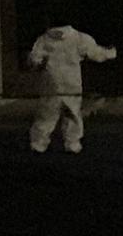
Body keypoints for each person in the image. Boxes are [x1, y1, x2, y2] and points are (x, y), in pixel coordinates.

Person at [27, 15, 117, 154]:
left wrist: (35, 64)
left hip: (51, 82)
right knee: (73, 113)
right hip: (72, 82)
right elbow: (96, 54)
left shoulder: (44, 39)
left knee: (46, 114)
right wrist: (111, 52)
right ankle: (72, 143)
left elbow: (34, 59)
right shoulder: (79, 38)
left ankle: (38, 143)